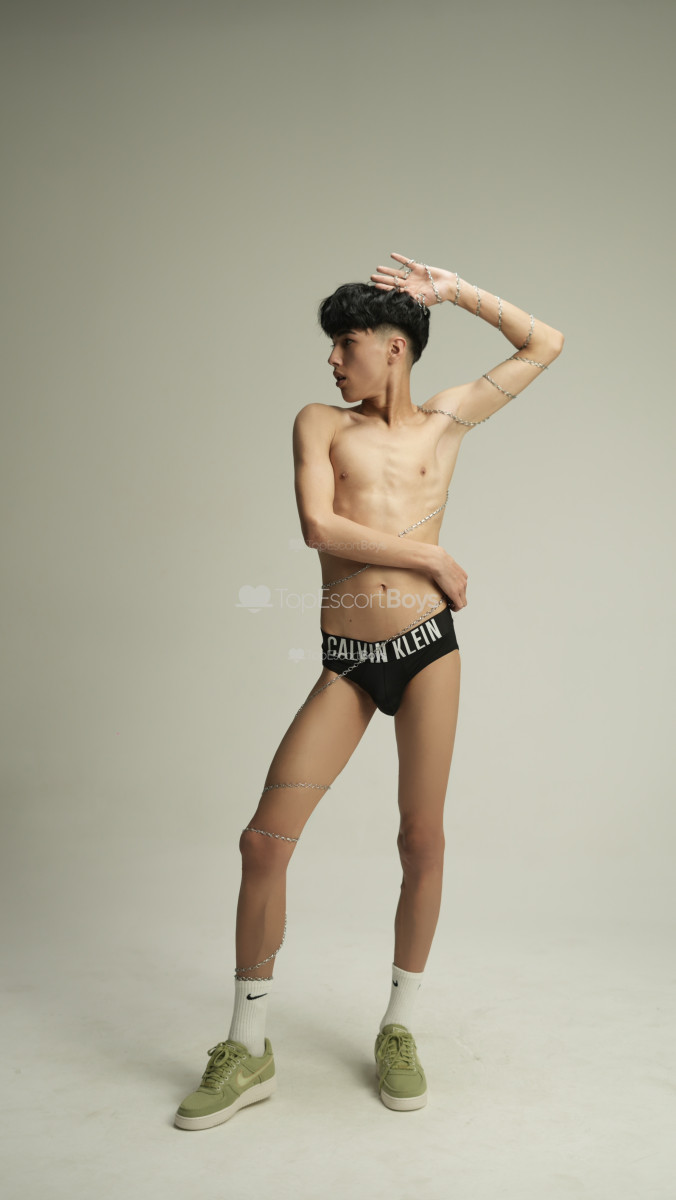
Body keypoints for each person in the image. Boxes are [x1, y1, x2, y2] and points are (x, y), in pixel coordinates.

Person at [174, 253, 565, 1130]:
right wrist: (430, 555)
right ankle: (248, 1046)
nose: (330, 359)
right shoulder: (320, 423)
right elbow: (319, 526)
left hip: (428, 654)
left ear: (394, 347)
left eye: (345, 343)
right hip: (348, 660)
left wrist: (455, 292)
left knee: (420, 839)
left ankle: (399, 1027)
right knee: (263, 843)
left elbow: (546, 343)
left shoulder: (448, 420)